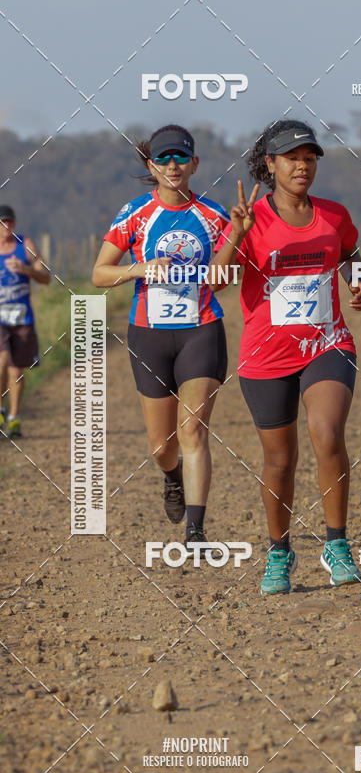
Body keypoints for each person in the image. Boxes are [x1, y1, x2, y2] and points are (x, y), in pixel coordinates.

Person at [211, 119, 361, 595]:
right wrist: (237, 233)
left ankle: (337, 544)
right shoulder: (250, 220)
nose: (303, 166)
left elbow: (349, 251)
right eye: (292, 158)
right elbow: (217, 281)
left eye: (310, 157)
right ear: (270, 165)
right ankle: (279, 553)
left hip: (327, 343)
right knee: (279, 460)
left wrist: (356, 281)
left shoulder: (333, 214)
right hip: (265, 355)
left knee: (327, 433)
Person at [92, 125, 229, 549]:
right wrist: (138, 268)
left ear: (195, 164)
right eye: (164, 159)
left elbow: (226, 277)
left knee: (193, 429)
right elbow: (99, 275)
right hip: (149, 335)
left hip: (201, 330)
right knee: (161, 446)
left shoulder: (215, 215)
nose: (173, 166)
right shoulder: (134, 213)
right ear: (152, 165)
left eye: (181, 158)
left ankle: (196, 530)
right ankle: (172, 479)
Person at [0, 204, 51, 439]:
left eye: (10, 222)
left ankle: (14, 417)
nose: (6, 227)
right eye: (2, 222)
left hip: (22, 317)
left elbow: (46, 277)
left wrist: (25, 269)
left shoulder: (25, 245)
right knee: (2, 361)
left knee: (17, 369)